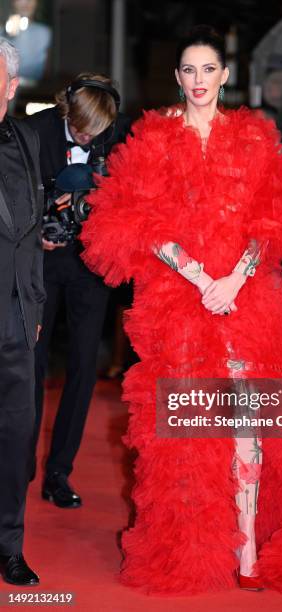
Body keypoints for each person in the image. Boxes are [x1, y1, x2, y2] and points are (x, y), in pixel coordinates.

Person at [81, 26, 282, 595]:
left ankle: (252, 551)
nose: (199, 80)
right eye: (189, 70)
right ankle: (199, 545)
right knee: (192, 428)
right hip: (180, 304)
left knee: (252, 426)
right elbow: (132, 217)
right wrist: (200, 276)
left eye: (209, 70)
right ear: (177, 76)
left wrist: (234, 277)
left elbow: (272, 216)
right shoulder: (154, 136)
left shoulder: (254, 137)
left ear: (224, 75)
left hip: (248, 301)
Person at [25, 74, 132, 508]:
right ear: (66, 110)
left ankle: (59, 473)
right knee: (30, 365)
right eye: (82, 128)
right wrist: (36, 233)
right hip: (42, 263)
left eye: (97, 131)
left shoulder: (117, 137)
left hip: (91, 265)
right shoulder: (35, 132)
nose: (89, 137)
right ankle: (19, 466)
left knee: (84, 368)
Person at [0, 39, 44, 586]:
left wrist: (34, 301)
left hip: (16, 312)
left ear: (10, 88)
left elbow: (29, 234)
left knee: (15, 433)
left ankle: (9, 543)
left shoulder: (28, 139)